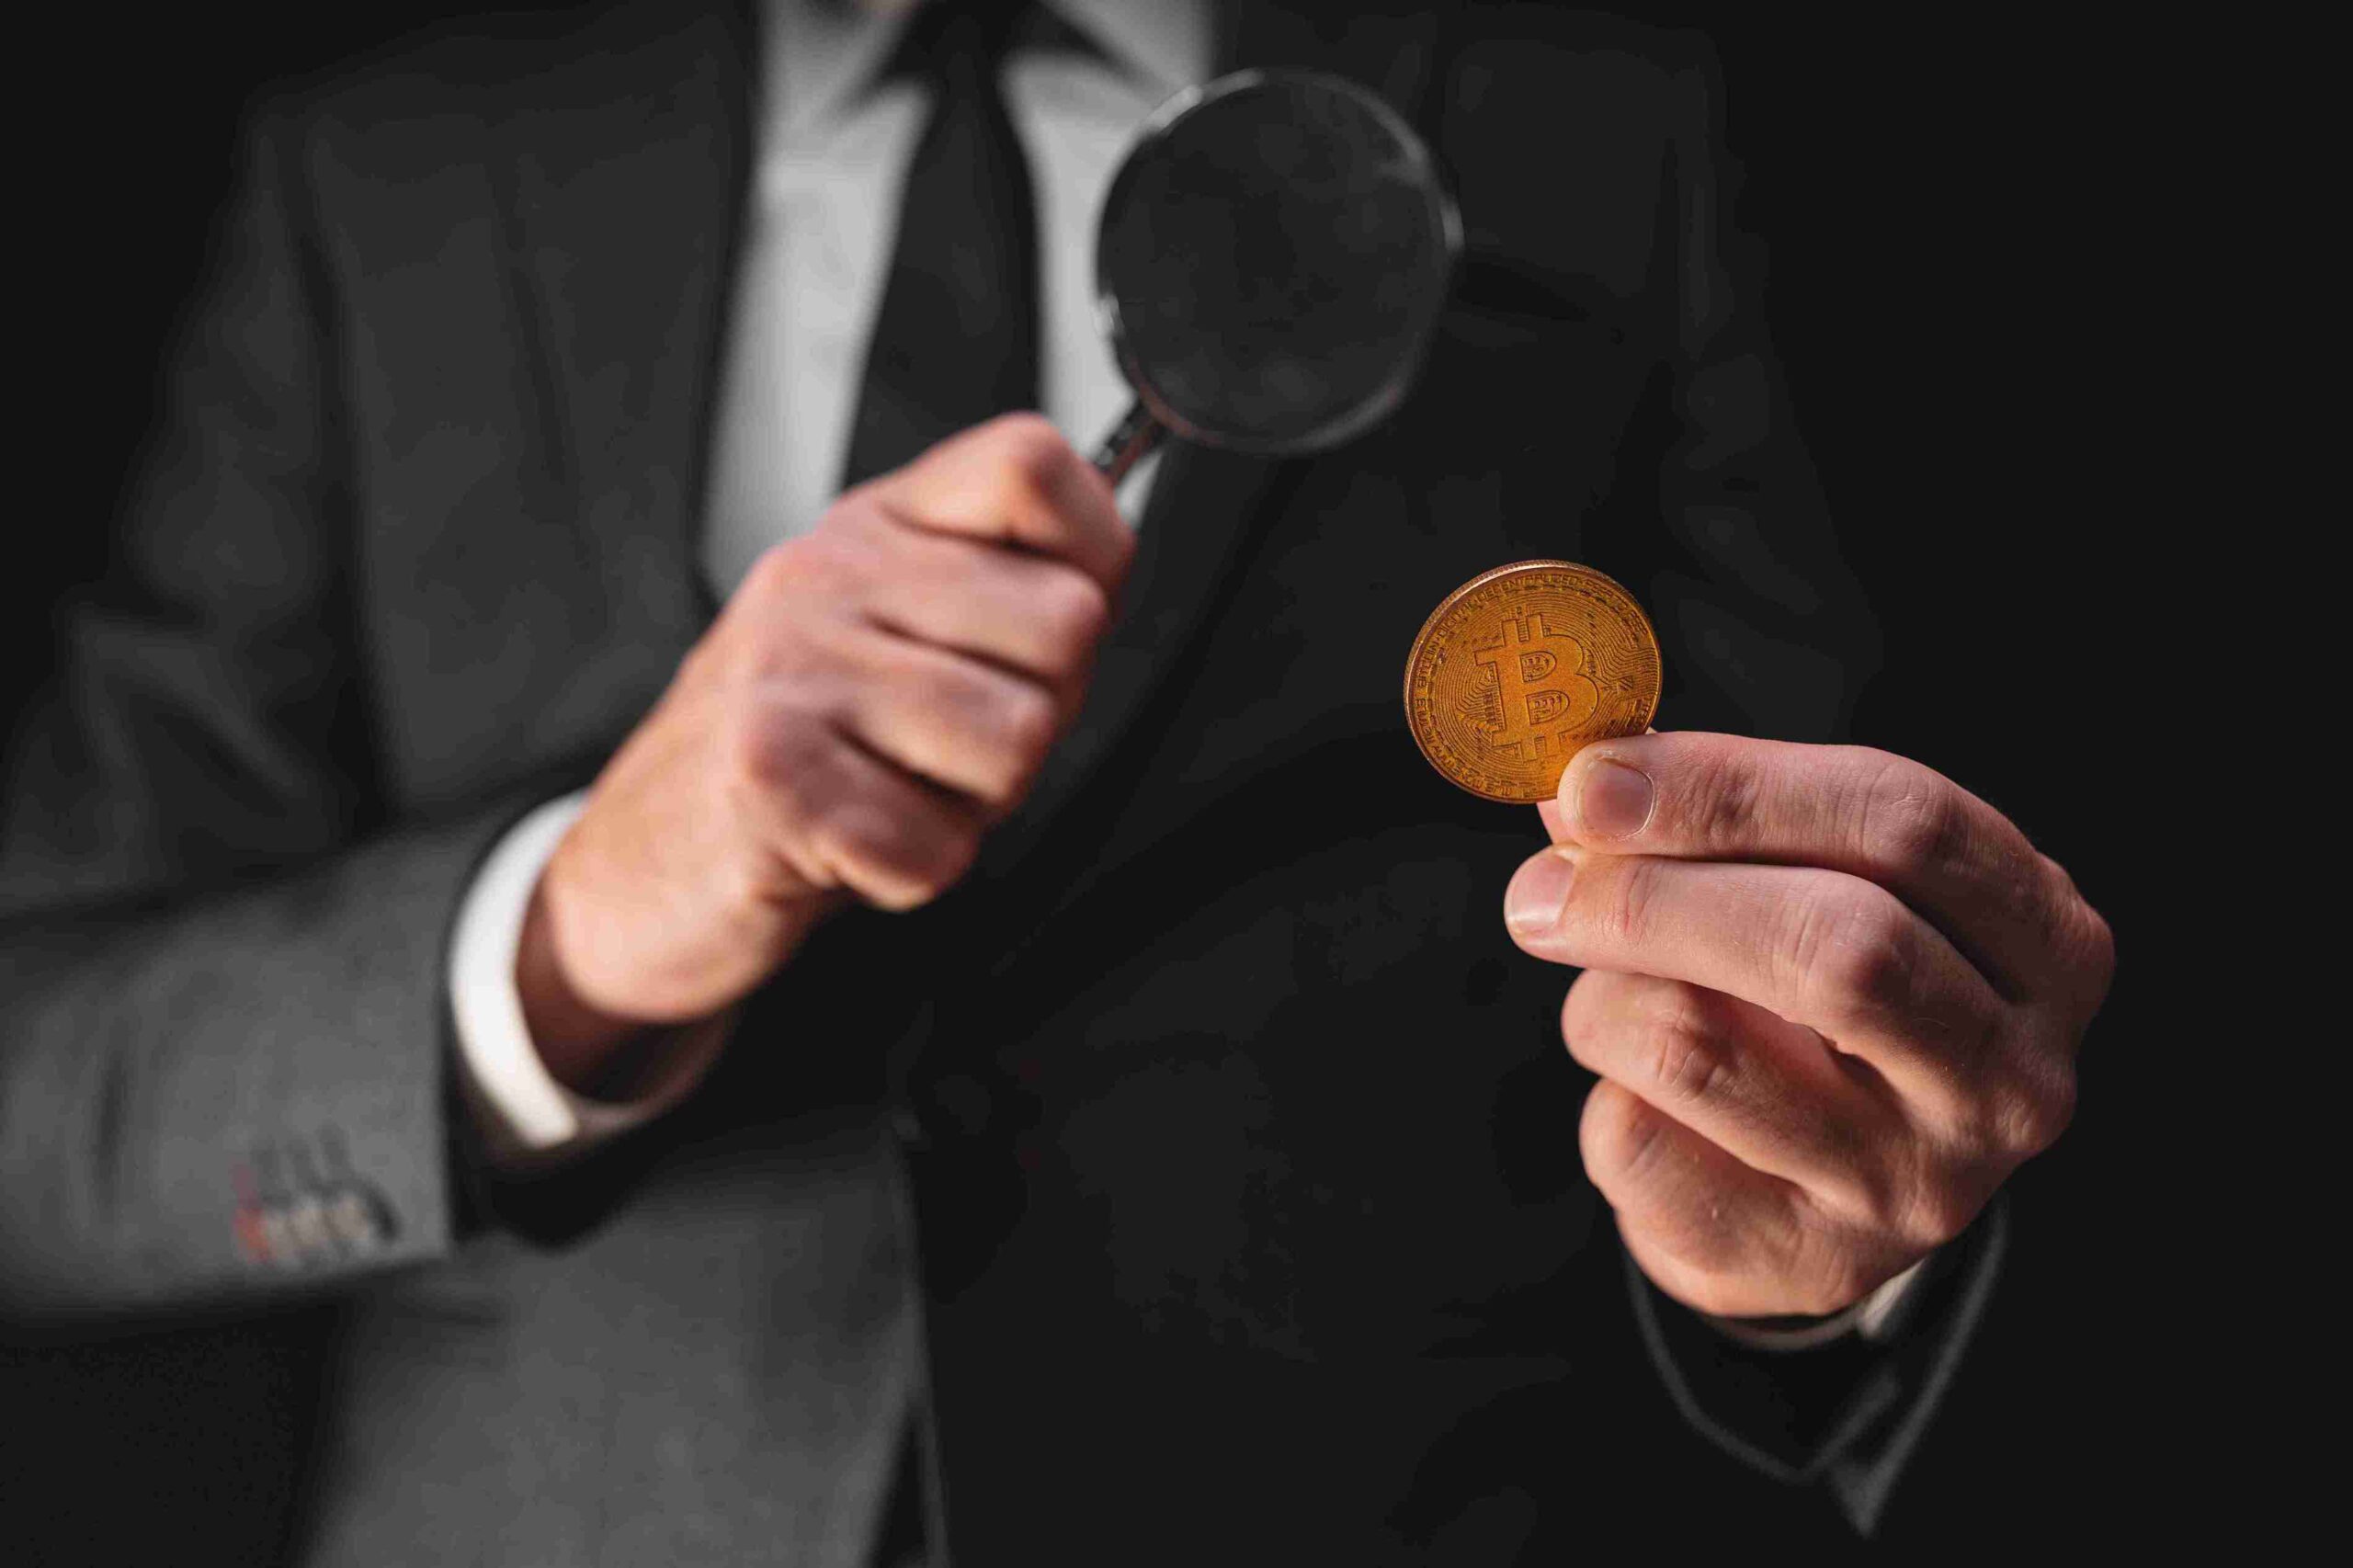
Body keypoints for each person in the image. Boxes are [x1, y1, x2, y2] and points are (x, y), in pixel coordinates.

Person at [0, 2, 2113, 1562]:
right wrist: (554, 931)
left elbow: (1843, 928)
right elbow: (37, 1093)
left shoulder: (1605, 113)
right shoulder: (382, 171)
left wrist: (1843, 1205)